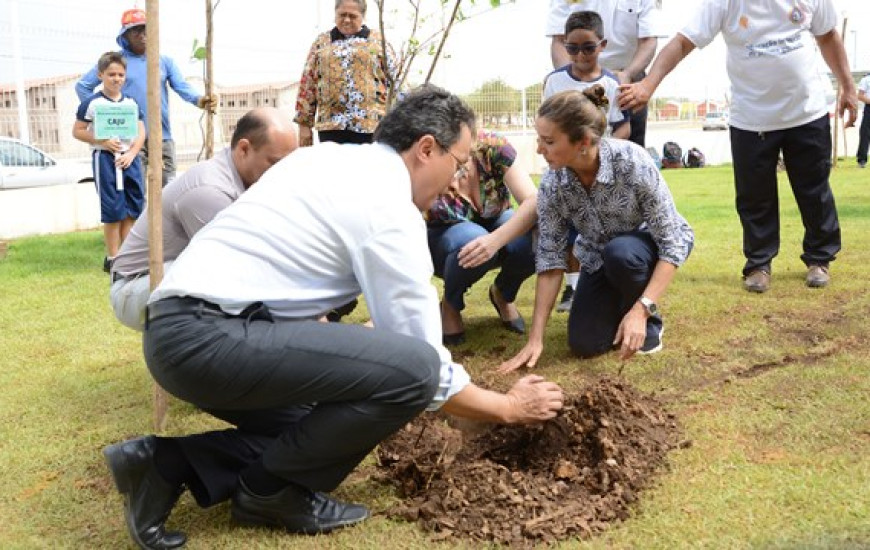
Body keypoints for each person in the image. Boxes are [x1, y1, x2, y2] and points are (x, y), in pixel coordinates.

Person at [102, 85, 564, 549]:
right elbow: (425, 364)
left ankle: (164, 464)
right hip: (209, 339)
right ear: (426, 148)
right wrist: (507, 408)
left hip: (176, 333)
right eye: (459, 163)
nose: (457, 182)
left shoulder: (322, 159)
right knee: (415, 369)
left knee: (317, 426)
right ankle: (270, 492)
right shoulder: (387, 205)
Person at [618, 0, 859, 293]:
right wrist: (648, 85)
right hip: (751, 118)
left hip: (806, 111)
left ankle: (820, 259)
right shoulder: (724, 3)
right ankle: (758, 264)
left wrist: (847, 85)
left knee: (814, 191)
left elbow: (828, 36)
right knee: (754, 196)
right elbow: (682, 43)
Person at [499, 89, 694, 375]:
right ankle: (621, 305)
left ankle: (647, 317)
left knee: (621, 253)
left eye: (549, 141)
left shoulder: (632, 162)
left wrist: (641, 309)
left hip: (646, 246)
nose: (539, 148)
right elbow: (551, 259)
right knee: (585, 344)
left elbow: (672, 243)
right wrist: (535, 338)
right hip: (598, 254)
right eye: (539, 139)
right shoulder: (553, 183)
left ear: (584, 142)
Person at [109, 107, 298, 331]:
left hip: (163, 277)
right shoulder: (209, 189)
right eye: (275, 163)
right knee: (226, 273)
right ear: (244, 149)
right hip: (134, 288)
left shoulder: (251, 181)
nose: (284, 172)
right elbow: (244, 262)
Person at [544, 10, 632, 312]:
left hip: (601, 171)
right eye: (572, 48)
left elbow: (622, 124)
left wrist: (607, 151)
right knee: (569, 228)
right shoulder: (555, 82)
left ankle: (607, 281)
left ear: (603, 45)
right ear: (564, 46)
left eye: (588, 47)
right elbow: (547, 126)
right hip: (567, 171)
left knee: (602, 227)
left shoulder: (611, 84)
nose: (580, 54)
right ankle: (572, 287)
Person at [76, 8, 218, 188]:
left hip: (162, 136)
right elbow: (83, 86)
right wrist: (104, 113)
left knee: (169, 188)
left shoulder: (164, 61)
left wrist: (200, 100)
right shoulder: (117, 62)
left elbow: (181, 87)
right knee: (137, 189)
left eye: (146, 29)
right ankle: (141, 217)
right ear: (125, 35)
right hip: (130, 138)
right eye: (136, 30)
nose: (143, 35)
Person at [426, 130, 537, 345]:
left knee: (534, 236)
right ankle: (450, 304)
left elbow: (533, 202)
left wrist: (494, 241)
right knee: (472, 238)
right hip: (445, 235)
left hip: (495, 222)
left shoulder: (494, 146)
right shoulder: (426, 157)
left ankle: (503, 294)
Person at [545, 0, 664, 147]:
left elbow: (648, 41)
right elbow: (559, 40)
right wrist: (571, 81)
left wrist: (627, 74)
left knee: (631, 150)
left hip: (626, 77)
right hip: (578, 77)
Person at [73, 51, 146, 274]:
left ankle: (127, 255)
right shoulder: (92, 103)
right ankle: (113, 257)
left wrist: (132, 152)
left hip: (129, 160)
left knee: (132, 208)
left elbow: (141, 130)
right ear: (101, 75)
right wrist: (102, 141)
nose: (116, 79)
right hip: (105, 160)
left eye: (120, 74)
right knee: (113, 209)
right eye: (111, 74)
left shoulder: (132, 103)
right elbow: (78, 131)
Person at [294, 0, 397, 146]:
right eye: (342, 15)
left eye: (352, 16)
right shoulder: (321, 43)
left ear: (363, 16)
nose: (346, 20)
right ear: (335, 14)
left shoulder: (378, 43)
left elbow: (396, 83)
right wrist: (304, 124)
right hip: (331, 128)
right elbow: (307, 85)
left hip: (370, 128)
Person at [856, 72, 870, 168]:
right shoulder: (866, 80)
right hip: (869, 108)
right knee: (865, 133)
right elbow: (860, 95)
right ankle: (862, 159)